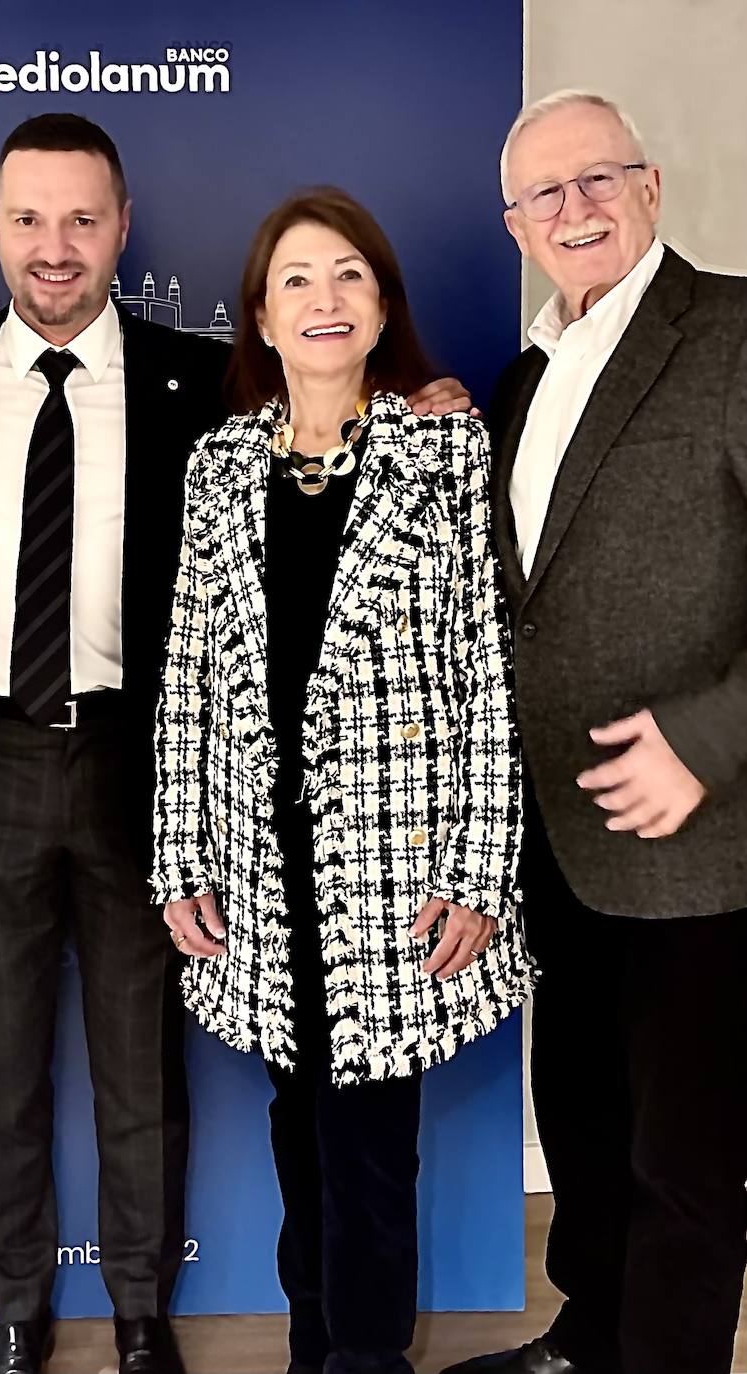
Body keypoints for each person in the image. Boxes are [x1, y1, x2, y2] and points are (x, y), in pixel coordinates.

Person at [0, 113, 477, 1374]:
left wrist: (420, 397)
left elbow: (333, 439)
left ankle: (145, 1310)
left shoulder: (195, 380)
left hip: (137, 762)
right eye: (29, 218)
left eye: (83, 218)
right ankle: (15, 1307)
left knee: (140, 1055)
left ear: (121, 226)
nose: (56, 247)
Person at [154, 187, 534, 1374]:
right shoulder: (216, 466)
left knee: (370, 1144)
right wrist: (180, 855)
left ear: (381, 308)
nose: (325, 301)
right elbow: (186, 677)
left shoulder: (445, 449)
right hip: (261, 874)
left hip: (399, 870)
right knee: (292, 1128)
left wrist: (477, 869)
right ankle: (313, 1346)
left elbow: (488, 667)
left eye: (349, 277)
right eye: (298, 282)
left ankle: (364, 1362)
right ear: (261, 317)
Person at [443, 90, 747, 1374]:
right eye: (542, 196)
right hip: (551, 837)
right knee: (580, 1114)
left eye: (596, 181)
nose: (573, 211)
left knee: (685, 1157)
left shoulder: (732, 332)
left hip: (700, 838)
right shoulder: (524, 376)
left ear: (651, 187)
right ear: (513, 224)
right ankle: (590, 1336)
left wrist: (709, 740)